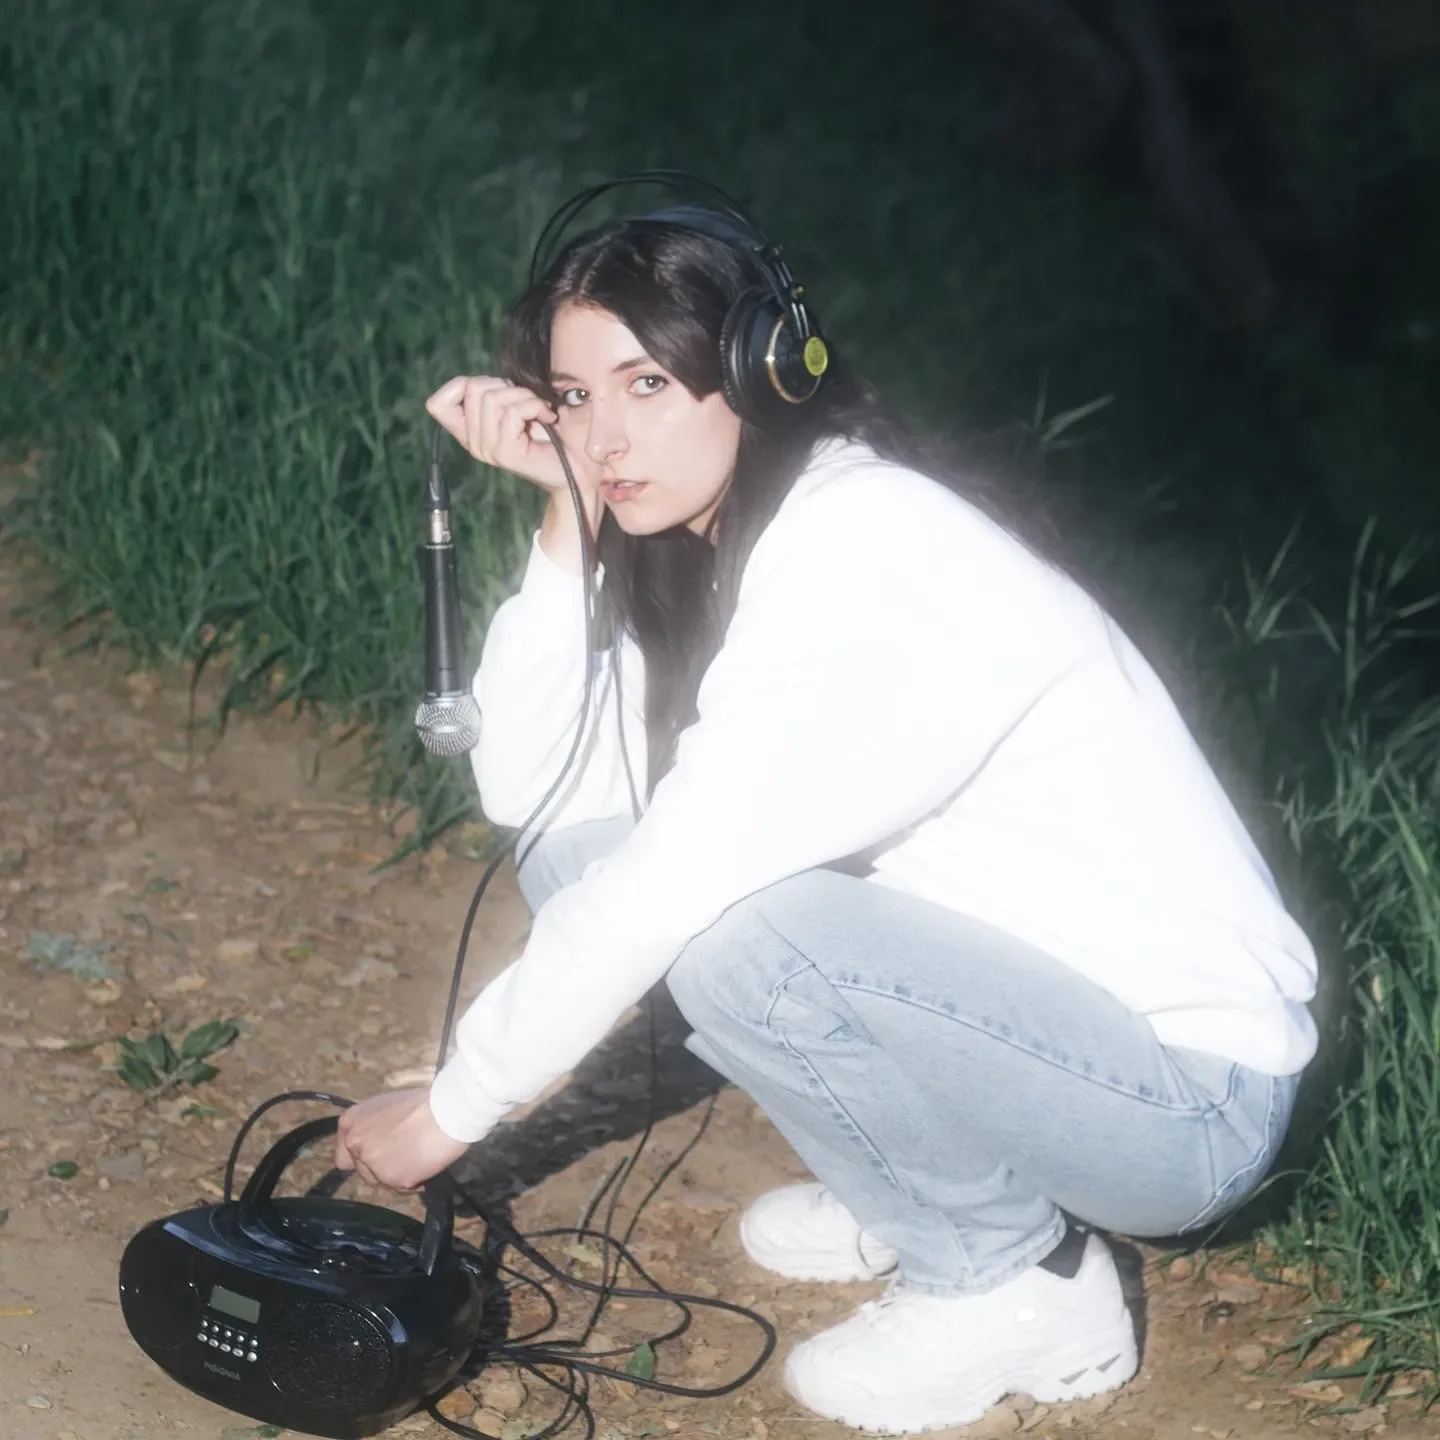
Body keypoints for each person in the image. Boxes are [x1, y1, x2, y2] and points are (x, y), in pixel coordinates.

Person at [333, 189, 1318, 1435]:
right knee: (587, 859)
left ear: (762, 370)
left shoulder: (870, 548)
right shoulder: (723, 536)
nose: (604, 436)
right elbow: (536, 796)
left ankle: (1015, 1281)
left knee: (734, 924)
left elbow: (675, 882)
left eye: (648, 385)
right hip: (1038, 1037)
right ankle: (925, 1183)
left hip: (1181, 1104)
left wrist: (453, 1110)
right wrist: (565, 526)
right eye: (575, 396)